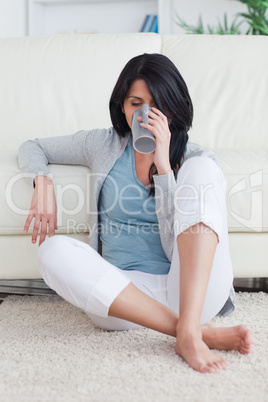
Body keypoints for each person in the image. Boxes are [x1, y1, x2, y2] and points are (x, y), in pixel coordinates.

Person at [18, 53, 252, 374]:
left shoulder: (194, 156)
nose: (146, 113)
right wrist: (41, 182)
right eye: (135, 103)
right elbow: (33, 145)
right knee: (52, 250)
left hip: (191, 292)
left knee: (203, 169)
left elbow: (173, 245)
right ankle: (192, 333)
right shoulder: (103, 143)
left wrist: (165, 168)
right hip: (123, 299)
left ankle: (189, 326)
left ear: (174, 105)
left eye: (158, 104)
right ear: (122, 106)